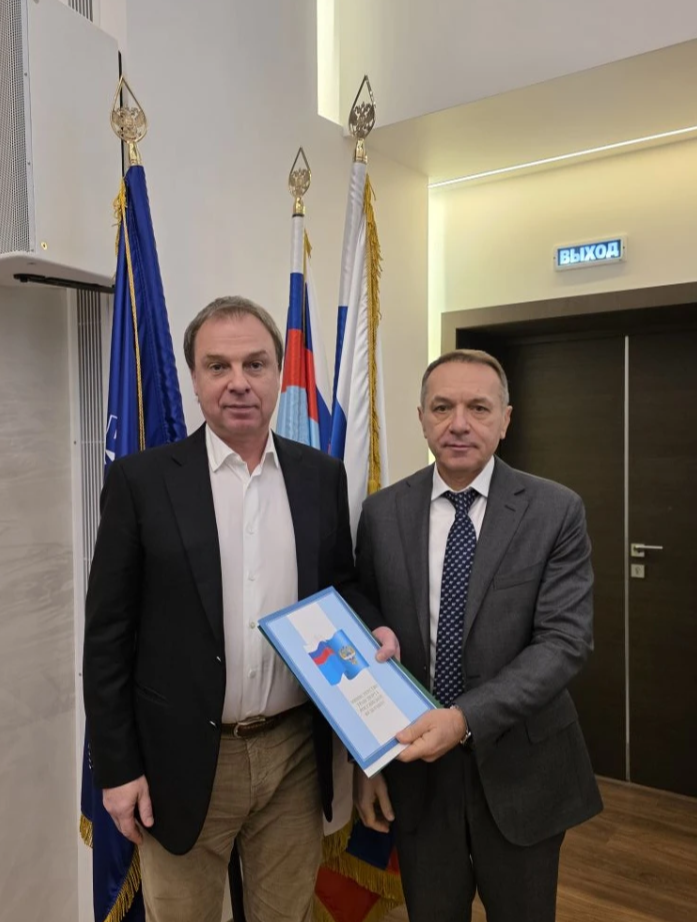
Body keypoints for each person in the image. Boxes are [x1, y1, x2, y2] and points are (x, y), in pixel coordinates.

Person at [83, 295, 388, 922]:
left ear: (279, 373)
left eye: (255, 364)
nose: (238, 382)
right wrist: (117, 770)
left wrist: (372, 624)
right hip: (182, 760)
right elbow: (107, 635)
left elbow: (339, 584)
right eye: (217, 366)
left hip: (294, 754)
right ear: (195, 379)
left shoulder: (320, 476)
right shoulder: (142, 483)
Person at [353, 349, 603, 922]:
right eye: (442, 407)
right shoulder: (382, 513)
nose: (459, 423)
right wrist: (367, 764)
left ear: (505, 419)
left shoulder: (555, 510)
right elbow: (365, 629)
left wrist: (464, 718)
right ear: (421, 418)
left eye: (478, 408)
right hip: (416, 774)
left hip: (522, 769)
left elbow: (564, 642)